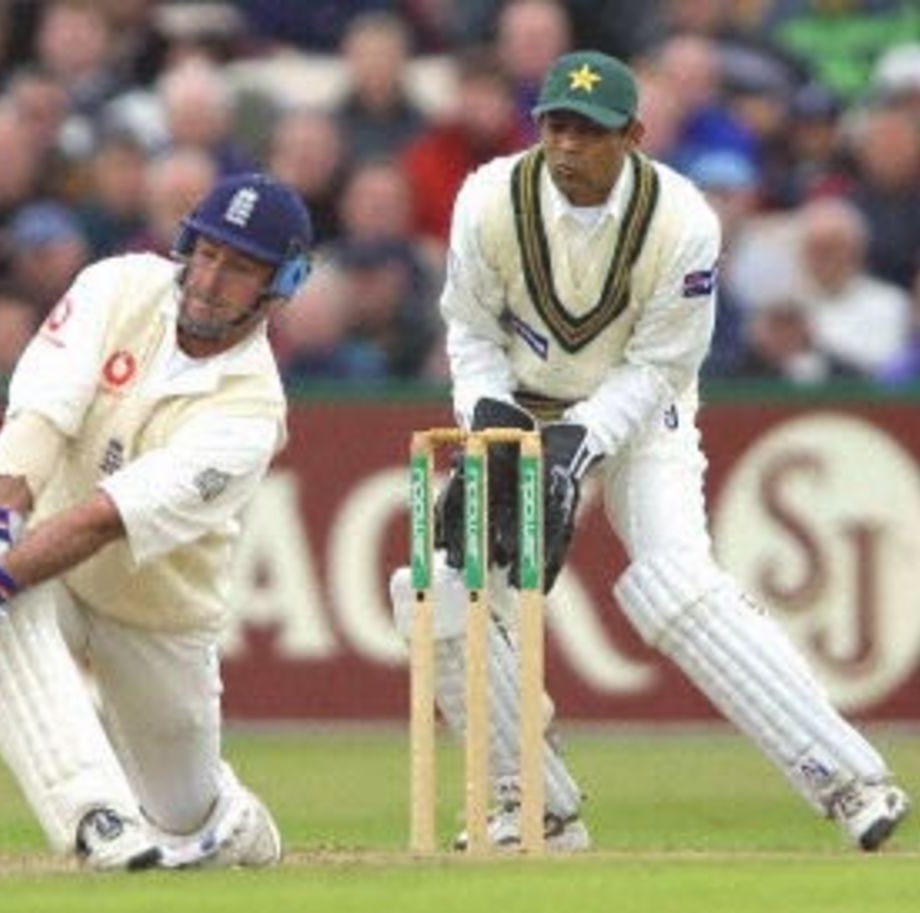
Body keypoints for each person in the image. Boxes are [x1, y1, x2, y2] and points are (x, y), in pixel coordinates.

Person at [388, 50, 910, 852]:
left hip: (641, 410)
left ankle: (852, 781)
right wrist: (490, 420)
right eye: (556, 125)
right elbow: (470, 331)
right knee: (437, 586)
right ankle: (532, 806)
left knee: (674, 584)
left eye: (589, 132)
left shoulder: (683, 220)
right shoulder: (489, 198)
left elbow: (663, 365)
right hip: (519, 401)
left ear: (631, 135)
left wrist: (578, 444)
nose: (567, 146)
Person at [0, 172, 314, 871]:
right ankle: (98, 815)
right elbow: (40, 414)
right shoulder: (117, 285)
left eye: (239, 267)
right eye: (205, 253)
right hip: (40, 556)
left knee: (183, 813)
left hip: (154, 612)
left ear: (280, 285)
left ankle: (227, 819)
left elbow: (106, 517)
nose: (210, 278)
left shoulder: (251, 412)